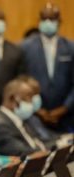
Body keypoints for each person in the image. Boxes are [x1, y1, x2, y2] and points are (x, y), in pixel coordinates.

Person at [20, 3, 74, 132]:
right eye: (44, 19)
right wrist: (38, 110)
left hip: (66, 116)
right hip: (34, 116)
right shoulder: (24, 47)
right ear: (39, 21)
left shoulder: (71, 47)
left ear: (59, 21)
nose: (48, 22)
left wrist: (64, 108)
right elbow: (21, 80)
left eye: (52, 19)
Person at [0, 79, 47, 156]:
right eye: (28, 97)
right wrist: (48, 151)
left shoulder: (19, 119)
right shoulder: (1, 125)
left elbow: (38, 142)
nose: (32, 103)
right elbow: (23, 153)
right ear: (12, 99)